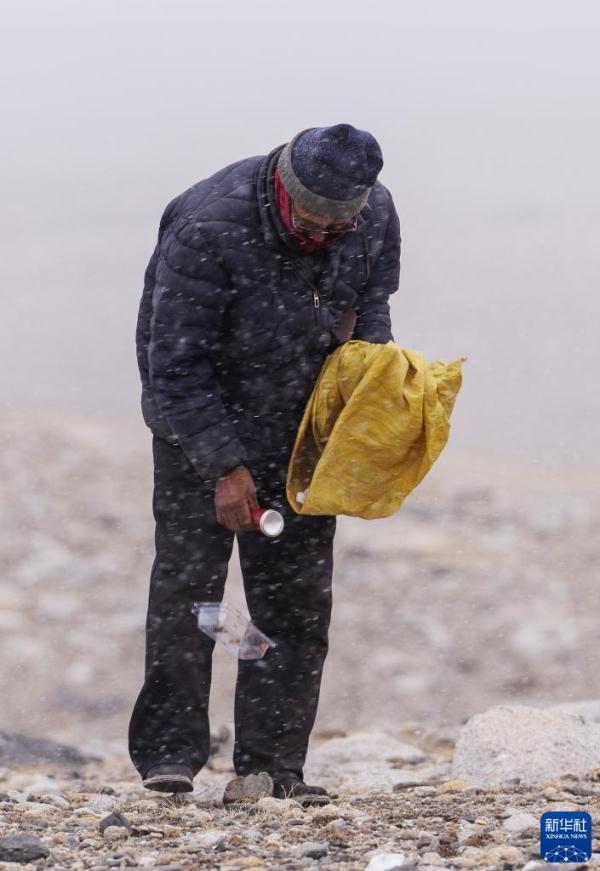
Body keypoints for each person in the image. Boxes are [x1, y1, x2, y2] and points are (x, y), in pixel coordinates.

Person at [129, 123, 401, 802]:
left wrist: (367, 390)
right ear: (285, 189)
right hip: (199, 422)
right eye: (312, 222)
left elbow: (371, 303)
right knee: (195, 597)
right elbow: (176, 365)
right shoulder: (208, 225)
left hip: (302, 428)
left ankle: (273, 765)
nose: (325, 235)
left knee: (295, 603)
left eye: (341, 224)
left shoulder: (373, 215)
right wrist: (222, 464)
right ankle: (172, 755)